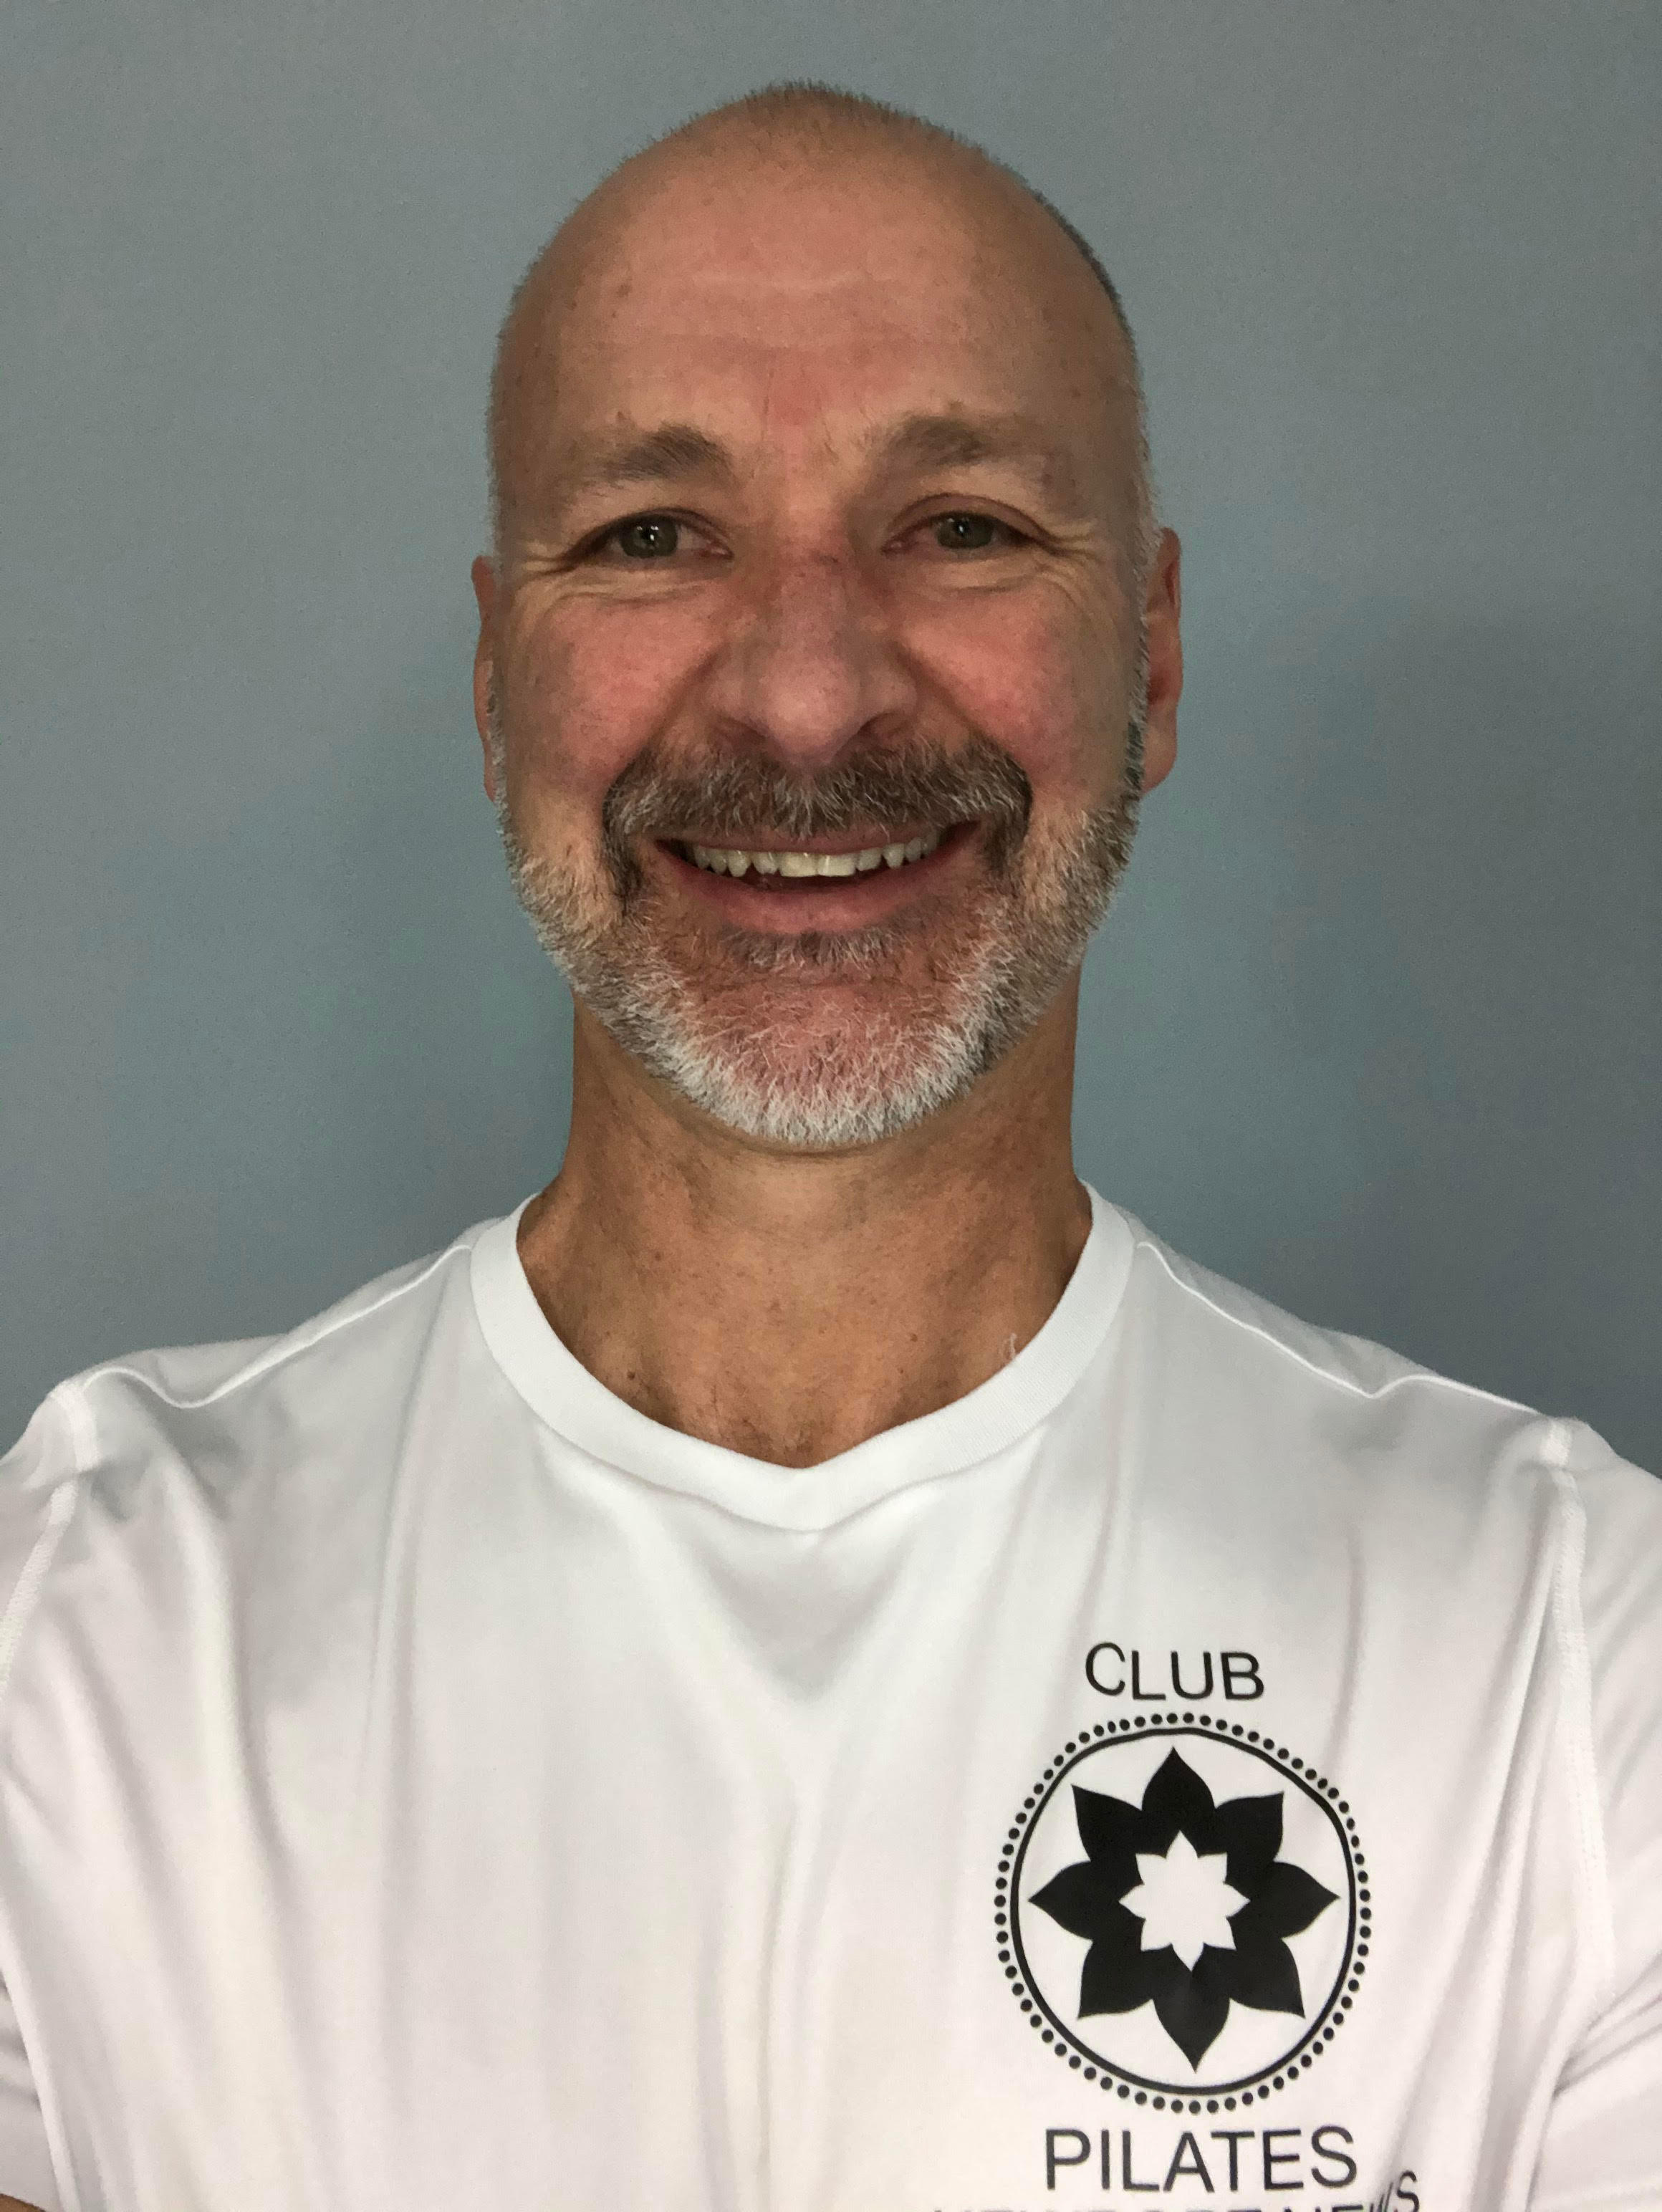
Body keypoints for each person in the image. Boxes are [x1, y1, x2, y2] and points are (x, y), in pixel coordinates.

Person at [0, 80, 1656, 2212]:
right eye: (652, 537)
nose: (804, 698)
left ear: (1150, 655)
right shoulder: (77, 1628)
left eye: (960, 526)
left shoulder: (1566, 1660)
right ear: (499, 682)